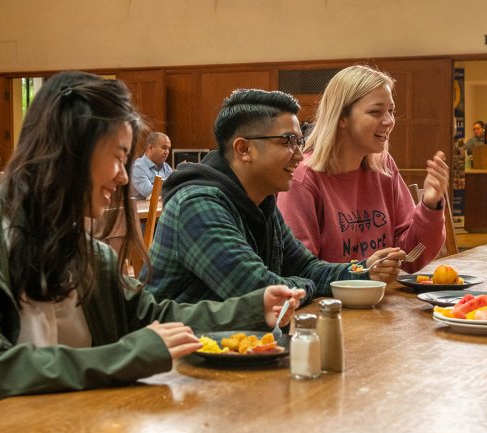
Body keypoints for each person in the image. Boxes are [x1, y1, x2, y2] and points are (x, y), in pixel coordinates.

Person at [0, 71, 304, 430]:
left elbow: (151, 315)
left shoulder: (85, 251)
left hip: (66, 430)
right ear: (69, 152)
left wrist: (250, 308)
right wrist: (126, 357)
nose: (124, 176)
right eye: (117, 157)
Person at [143, 88, 405, 304]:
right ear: (244, 149)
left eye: (299, 142)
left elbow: (306, 267)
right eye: (287, 142)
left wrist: (363, 270)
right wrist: (306, 284)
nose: (300, 155)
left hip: (234, 349)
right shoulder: (197, 205)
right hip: (175, 360)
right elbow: (259, 291)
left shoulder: (262, 200)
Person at [277, 65, 448, 272]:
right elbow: (299, 270)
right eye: (376, 112)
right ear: (342, 118)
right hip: (327, 303)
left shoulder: (384, 167)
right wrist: (363, 274)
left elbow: (410, 258)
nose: (389, 121)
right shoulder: (304, 178)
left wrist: (430, 206)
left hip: (382, 301)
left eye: (391, 111)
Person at [131, 132, 173, 199]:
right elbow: (149, 192)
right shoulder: (138, 167)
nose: (167, 152)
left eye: (168, 149)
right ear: (150, 147)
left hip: (161, 207)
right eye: (164, 148)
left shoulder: (166, 167)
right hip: (143, 208)